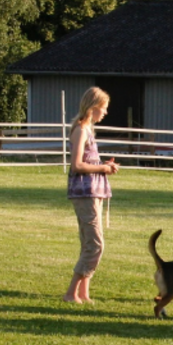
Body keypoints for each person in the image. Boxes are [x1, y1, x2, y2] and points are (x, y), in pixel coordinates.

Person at [63, 87, 120, 303]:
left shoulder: (88, 130)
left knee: (89, 242)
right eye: (103, 108)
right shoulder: (80, 130)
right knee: (95, 244)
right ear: (93, 107)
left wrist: (103, 165)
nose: (105, 113)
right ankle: (70, 293)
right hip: (84, 194)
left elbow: (88, 161)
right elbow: (77, 165)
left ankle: (84, 293)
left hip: (91, 193)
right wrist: (103, 169)